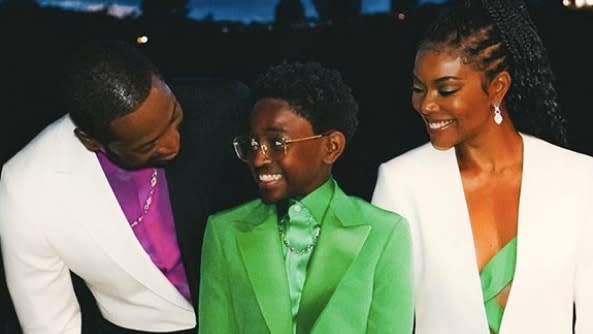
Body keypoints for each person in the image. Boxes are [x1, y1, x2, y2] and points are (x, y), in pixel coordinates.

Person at [0, 40, 252, 333]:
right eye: (148, 145)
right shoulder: (26, 186)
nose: (173, 143)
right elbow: (49, 322)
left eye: (173, 116)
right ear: (91, 141)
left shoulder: (226, 107)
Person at [371, 0, 593, 333]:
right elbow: (382, 321)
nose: (427, 105)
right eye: (419, 88)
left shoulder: (578, 179)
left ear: (497, 88)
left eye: (446, 89)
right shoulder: (402, 183)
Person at [198, 61, 414, 334]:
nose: (258, 158)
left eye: (276, 144)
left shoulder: (384, 232)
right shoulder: (224, 230)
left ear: (331, 147)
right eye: (252, 144)